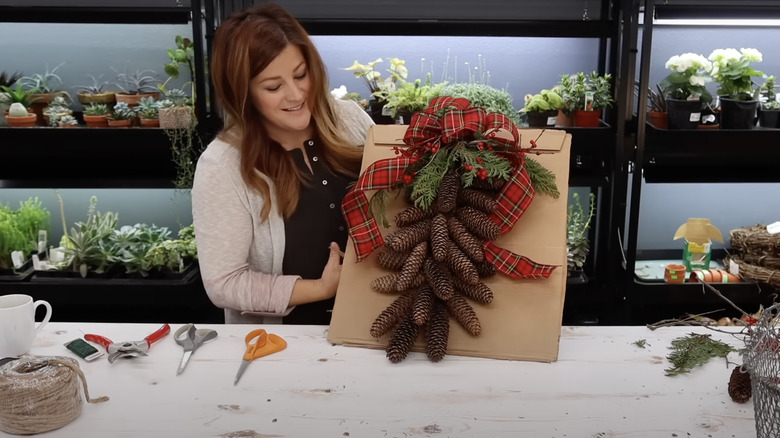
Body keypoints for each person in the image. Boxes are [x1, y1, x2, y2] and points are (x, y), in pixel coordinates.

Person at [192, 3, 374, 324]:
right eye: (273, 87)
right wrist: (320, 288)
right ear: (242, 95)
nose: (295, 94)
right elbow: (224, 284)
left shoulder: (349, 118)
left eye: (301, 74)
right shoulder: (222, 166)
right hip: (285, 342)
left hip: (374, 316)